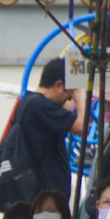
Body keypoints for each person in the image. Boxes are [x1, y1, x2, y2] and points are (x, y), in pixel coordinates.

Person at [8, 57, 86, 200]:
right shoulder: (42, 107)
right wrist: (80, 96)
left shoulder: (31, 103)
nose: (70, 99)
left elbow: (65, 111)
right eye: (70, 94)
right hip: (45, 200)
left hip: (38, 195)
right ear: (58, 85)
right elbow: (82, 127)